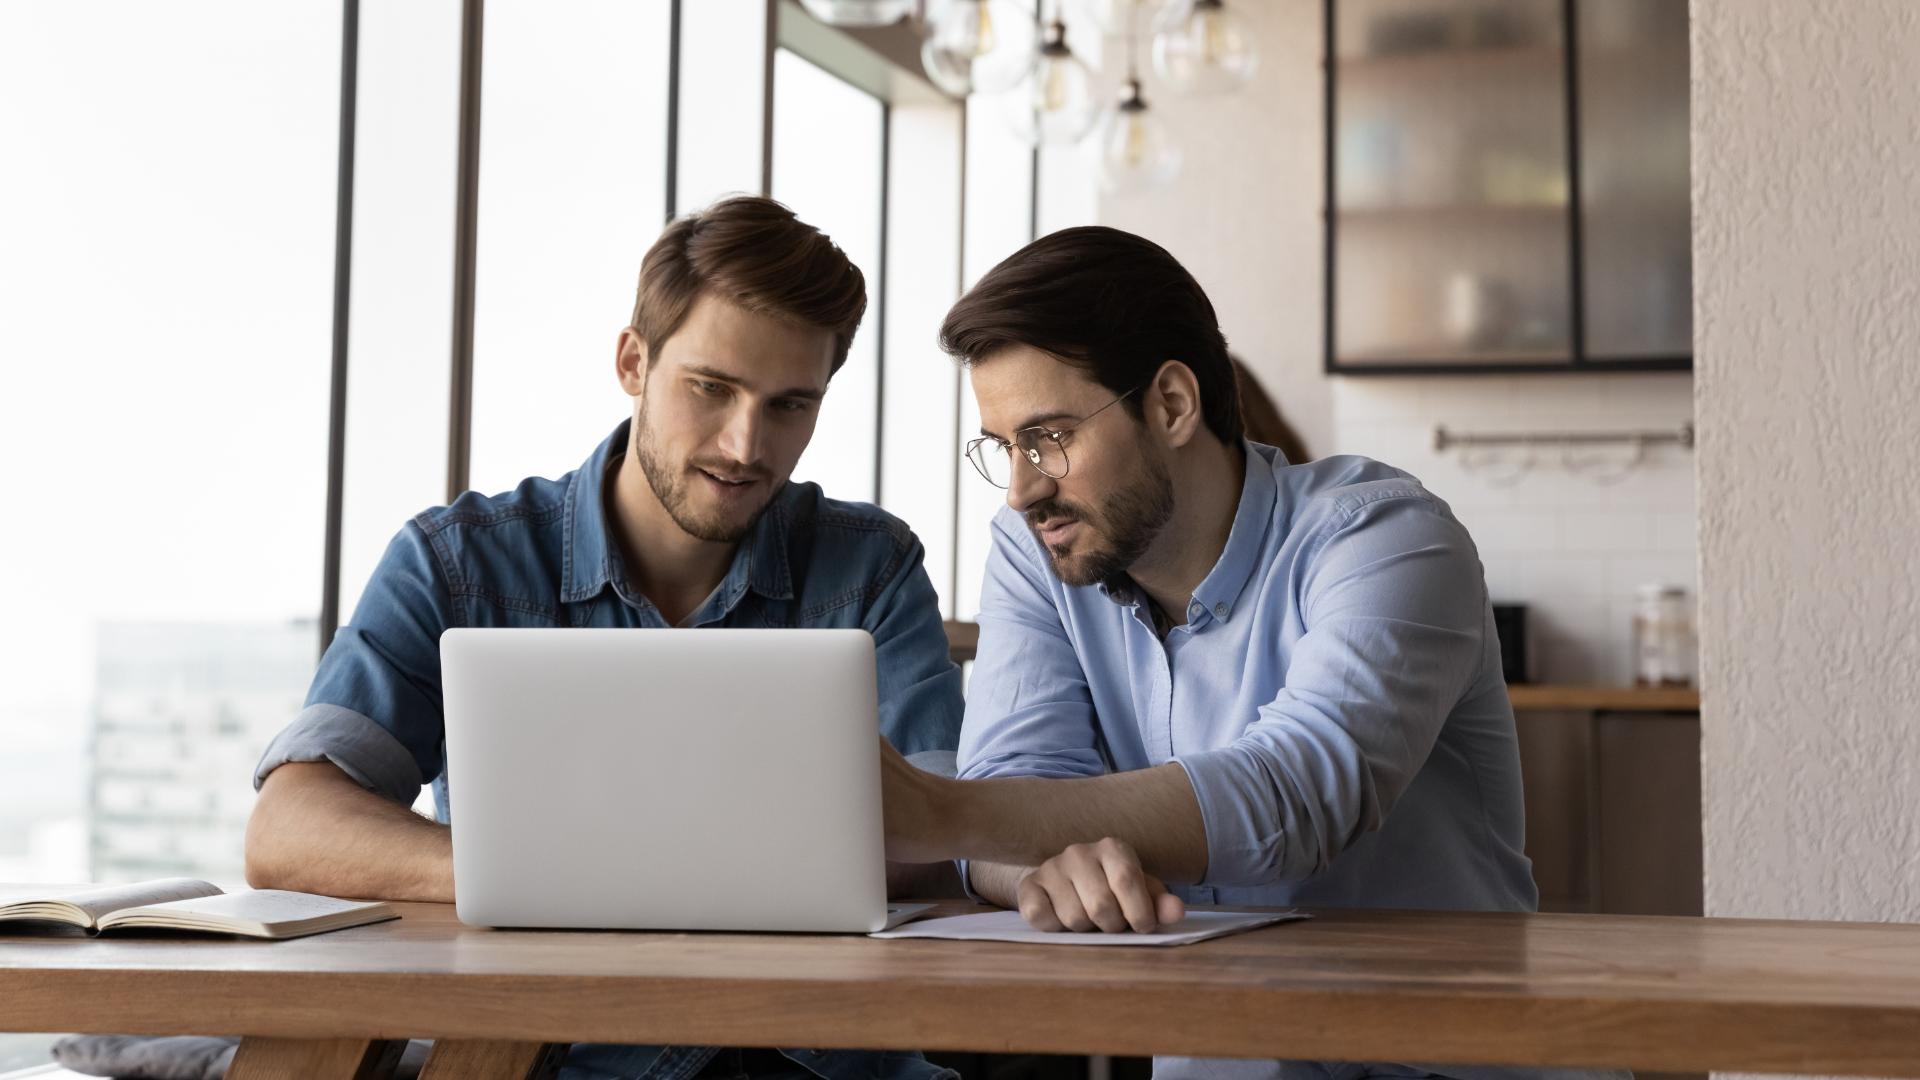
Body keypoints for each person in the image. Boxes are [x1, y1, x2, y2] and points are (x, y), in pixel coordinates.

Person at [877, 226, 1624, 1080]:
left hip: (1454, 1064)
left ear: (1171, 404)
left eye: (1048, 437)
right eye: (1004, 447)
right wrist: (1043, 865)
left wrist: (940, 814)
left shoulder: (1387, 536)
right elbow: (1021, 789)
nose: (1021, 489)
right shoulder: (1038, 554)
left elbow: (1294, 795)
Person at [247, 195, 962, 1080]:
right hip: (552, 1055)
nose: (746, 445)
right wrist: (544, 875)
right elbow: (292, 829)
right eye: (712, 388)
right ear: (634, 361)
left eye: (789, 405)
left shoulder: (869, 567)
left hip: (818, 1056)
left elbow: (945, 836)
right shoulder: (458, 564)